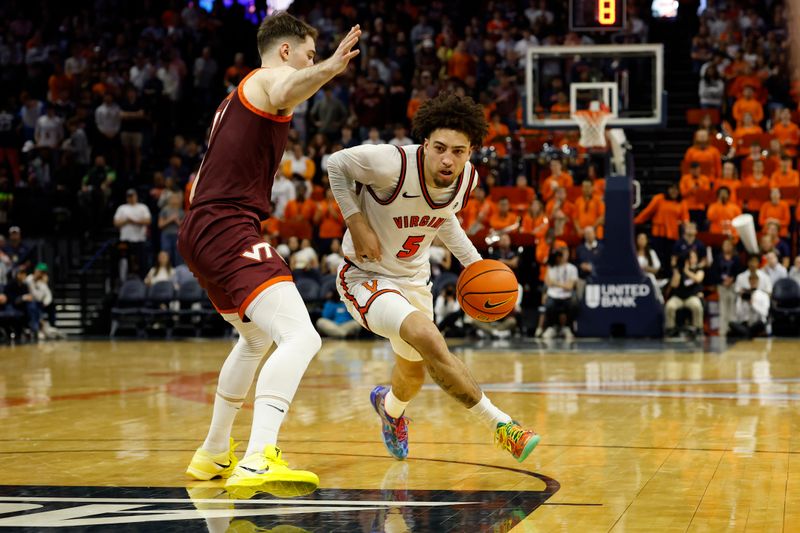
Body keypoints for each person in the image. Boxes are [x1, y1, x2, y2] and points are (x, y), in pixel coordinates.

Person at [179, 12, 362, 496]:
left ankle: (214, 452)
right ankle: (258, 457)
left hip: (201, 227)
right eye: (308, 53)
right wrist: (331, 68)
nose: (312, 61)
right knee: (302, 338)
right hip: (225, 225)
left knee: (256, 339)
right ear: (286, 51)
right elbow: (287, 88)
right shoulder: (269, 79)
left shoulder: (235, 95)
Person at [326, 92, 539, 464]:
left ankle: (389, 410)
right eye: (439, 148)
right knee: (427, 337)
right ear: (424, 144)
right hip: (366, 275)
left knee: (413, 374)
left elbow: (443, 219)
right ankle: (503, 426)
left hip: (413, 279)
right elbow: (335, 164)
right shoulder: (389, 164)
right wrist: (355, 221)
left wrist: (475, 265)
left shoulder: (465, 178)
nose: (447, 159)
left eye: (458, 151)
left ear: (470, 152)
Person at [664, 249, 705, 337]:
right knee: (669, 306)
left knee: (697, 306)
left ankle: (698, 328)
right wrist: (678, 271)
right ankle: (670, 328)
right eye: (690, 257)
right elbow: (674, 285)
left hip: (691, 296)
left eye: (694, 257)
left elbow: (698, 279)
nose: (692, 259)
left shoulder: (698, 269)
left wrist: (687, 271)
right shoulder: (679, 269)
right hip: (678, 297)